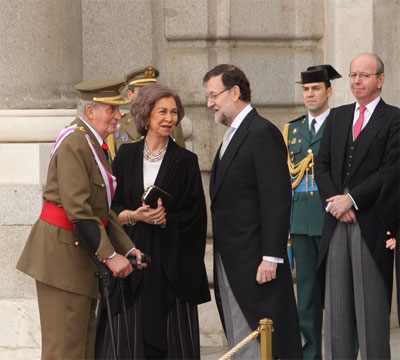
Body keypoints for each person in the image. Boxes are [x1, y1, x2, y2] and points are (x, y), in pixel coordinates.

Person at [16, 78, 146, 359]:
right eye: (111, 110)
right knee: (65, 350)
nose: (118, 116)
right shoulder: (76, 142)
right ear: (90, 112)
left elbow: (102, 210)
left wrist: (129, 249)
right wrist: (111, 256)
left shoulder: (93, 143)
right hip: (63, 260)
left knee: (83, 349)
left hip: (78, 258)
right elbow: (78, 209)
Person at [95, 84, 211, 359]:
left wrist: (164, 221)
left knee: (171, 340)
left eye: (174, 112)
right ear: (146, 116)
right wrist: (134, 216)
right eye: (162, 112)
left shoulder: (186, 161)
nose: (169, 118)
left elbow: (196, 217)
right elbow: (110, 207)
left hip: (169, 266)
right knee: (127, 339)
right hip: (131, 260)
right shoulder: (125, 155)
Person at [203, 64, 302, 359]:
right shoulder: (233, 135)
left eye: (213, 95)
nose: (209, 103)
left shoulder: (261, 132)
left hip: (256, 261)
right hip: (232, 256)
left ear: (234, 92)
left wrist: (271, 256)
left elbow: (277, 198)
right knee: (239, 330)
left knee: (260, 333)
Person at [315, 53, 400, 359]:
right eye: (352, 75)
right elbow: (320, 166)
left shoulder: (394, 119)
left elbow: (390, 171)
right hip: (335, 220)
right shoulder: (337, 117)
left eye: (364, 75)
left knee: (371, 313)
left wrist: (351, 200)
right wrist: (336, 203)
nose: (357, 81)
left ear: (381, 79)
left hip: (372, 224)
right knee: (336, 311)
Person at [283, 64, 341, 360]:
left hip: (332, 217)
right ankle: (310, 354)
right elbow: (287, 178)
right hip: (302, 221)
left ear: (329, 91)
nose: (310, 94)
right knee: (306, 296)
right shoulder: (292, 129)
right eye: (306, 89)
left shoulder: (341, 124)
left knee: (338, 294)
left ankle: (344, 351)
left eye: (316, 88)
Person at [106, 66, 186, 159]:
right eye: (143, 91)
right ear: (130, 94)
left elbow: (181, 158)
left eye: (153, 91)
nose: (149, 96)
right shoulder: (119, 123)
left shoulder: (169, 121)